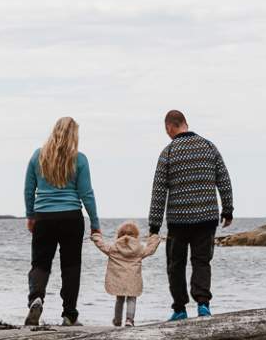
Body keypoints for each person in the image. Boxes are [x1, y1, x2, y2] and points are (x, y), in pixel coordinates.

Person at [147, 109, 233, 321]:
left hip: (178, 220)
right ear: (185, 123)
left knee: (176, 265)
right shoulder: (208, 147)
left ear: (169, 127)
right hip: (206, 217)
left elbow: (158, 192)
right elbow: (224, 179)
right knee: (201, 262)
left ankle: (180, 309)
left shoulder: (168, 152)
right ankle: (203, 305)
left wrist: (154, 226)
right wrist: (228, 210)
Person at [23, 116, 99, 327]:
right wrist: (95, 222)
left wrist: (30, 216)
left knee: (40, 263)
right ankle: (69, 314)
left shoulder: (38, 156)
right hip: (71, 218)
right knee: (71, 266)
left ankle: (36, 298)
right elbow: (87, 194)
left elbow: (29, 190)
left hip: (44, 218)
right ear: (74, 135)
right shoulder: (80, 159)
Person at [89, 221, 162, 326]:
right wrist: (154, 238)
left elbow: (102, 245)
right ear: (136, 235)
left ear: (119, 235)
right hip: (133, 279)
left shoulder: (114, 247)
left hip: (118, 279)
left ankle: (117, 320)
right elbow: (150, 250)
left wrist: (96, 236)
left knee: (119, 299)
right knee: (132, 298)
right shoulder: (139, 248)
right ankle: (129, 320)